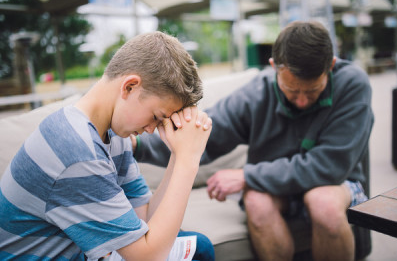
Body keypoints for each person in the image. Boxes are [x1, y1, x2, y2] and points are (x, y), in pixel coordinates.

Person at [133, 21, 374, 261]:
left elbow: (330, 166)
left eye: (312, 91)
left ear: (330, 66)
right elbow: (205, 134)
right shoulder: (256, 93)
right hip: (274, 187)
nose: (301, 101)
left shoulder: (353, 84)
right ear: (273, 67)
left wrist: (247, 176)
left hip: (337, 183)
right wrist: (138, 146)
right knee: (257, 202)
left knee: (323, 203)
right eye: (291, 90)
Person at [0, 32, 215, 261]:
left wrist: (176, 154)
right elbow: (147, 258)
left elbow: (145, 219)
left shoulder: (113, 135)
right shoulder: (75, 149)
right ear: (130, 87)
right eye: (156, 116)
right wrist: (188, 160)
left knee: (198, 247)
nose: (152, 129)